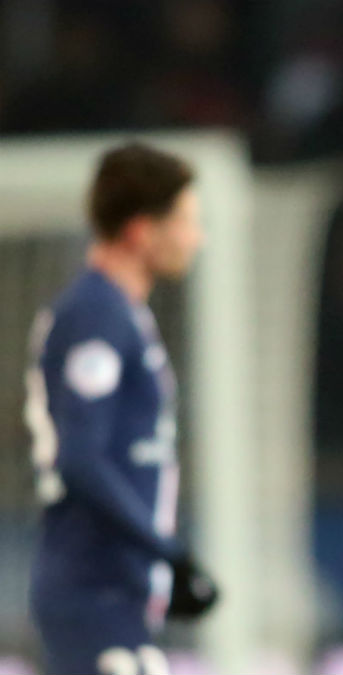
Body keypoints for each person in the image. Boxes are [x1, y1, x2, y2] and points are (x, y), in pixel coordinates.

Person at [24, 142, 219, 675]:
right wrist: (169, 551)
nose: (195, 238)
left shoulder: (119, 313)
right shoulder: (96, 313)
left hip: (114, 595)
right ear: (140, 230)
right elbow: (81, 458)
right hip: (93, 589)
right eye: (184, 221)